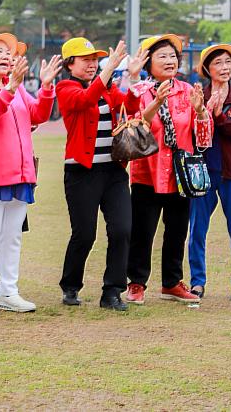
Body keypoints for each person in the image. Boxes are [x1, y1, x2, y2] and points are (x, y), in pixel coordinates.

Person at [0, 33, 59, 317]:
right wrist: (11, 88)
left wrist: (46, 86)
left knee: (12, 236)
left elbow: (39, 114)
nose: (7, 56)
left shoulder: (13, 88)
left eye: (10, 52)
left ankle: (8, 291)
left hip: (20, 173)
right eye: (0, 51)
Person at [126, 34, 213, 305]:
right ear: (148, 62)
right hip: (147, 172)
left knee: (177, 230)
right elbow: (133, 129)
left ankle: (172, 283)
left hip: (180, 175)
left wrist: (200, 112)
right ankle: (136, 284)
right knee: (142, 231)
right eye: (162, 56)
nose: (169, 61)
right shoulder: (139, 91)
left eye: (173, 56)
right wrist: (154, 105)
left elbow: (204, 139)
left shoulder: (188, 91)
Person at [56, 37, 139, 311]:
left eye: (95, 59)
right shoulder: (66, 87)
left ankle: (112, 291)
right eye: (86, 60)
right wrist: (108, 70)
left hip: (114, 170)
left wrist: (134, 78)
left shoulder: (107, 87)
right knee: (85, 234)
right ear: (71, 64)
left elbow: (129, 106)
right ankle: (70, 284)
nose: (92, 64)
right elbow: (84, 99)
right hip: (82, 171)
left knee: (122, 229)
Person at [189, 45, 231, 302]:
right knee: (197, 230)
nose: (225, 67)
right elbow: (190, 135)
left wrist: (219, 116)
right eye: (218, 63)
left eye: (228, 62)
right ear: (207, 69)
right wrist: (200, 110)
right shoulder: (197, 96)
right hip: (202, 173)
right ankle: (197, 282)